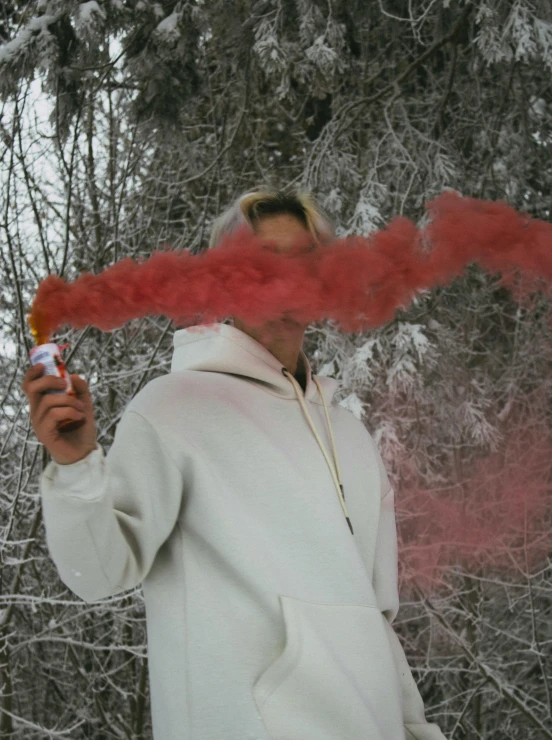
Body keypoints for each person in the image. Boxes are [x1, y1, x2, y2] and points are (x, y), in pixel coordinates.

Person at [22, 189, 447, 740]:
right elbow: (98, 573)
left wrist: (412, 729)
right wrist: (76, 464)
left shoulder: (350, 436)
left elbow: (377, 619)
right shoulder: (173, 408)